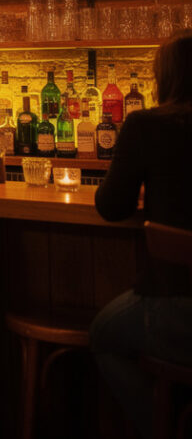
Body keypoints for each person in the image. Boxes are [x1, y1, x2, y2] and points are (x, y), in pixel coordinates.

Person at [90, 31, 192, 439]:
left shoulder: (146, 124)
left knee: (103, 335)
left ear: (162, 78)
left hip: (175, 305)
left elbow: (112, 207)